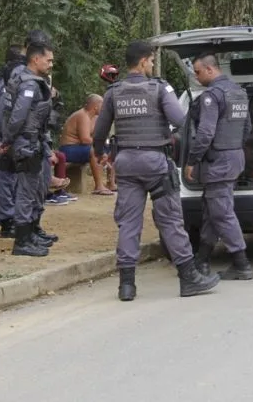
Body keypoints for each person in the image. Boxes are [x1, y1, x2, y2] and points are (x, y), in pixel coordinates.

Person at [93, 41, 219, 301]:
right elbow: (179, 121)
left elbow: (100, 133)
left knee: (129, 223)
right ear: (142, 62)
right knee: (171, 220)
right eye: (150, 61)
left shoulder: (113, 92)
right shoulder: (159, 89)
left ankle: (126, 286)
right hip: (155, 163)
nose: (152, 65)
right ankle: (189, 277)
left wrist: (98, 153)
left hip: (126, 163)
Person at [187, 52, 253, 281]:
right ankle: (202, 261)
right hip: (234, 158)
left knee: (222, 213)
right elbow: (247, 128)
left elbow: (205, 133)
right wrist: (234, 150)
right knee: (212, 210)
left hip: (218, 162)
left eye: (197, 72)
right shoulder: (239, 93)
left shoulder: (212, 96)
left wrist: (192, 160)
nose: (196, 77)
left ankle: (241, 262)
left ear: (209, 69)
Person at [0, 42, 57, 257]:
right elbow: (17, 116)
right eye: (48, 60)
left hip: (31, 141)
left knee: (33, 188)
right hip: (26, 143)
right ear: (36, 59)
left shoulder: (25, 80)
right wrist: (7, 140)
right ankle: (22, 241)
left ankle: (30, 234)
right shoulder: (29, 85)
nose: (51, 64)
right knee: (26, 190)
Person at [0, 45, 26, 238]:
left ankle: (13, 217)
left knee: (15, 175)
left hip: (8, 134)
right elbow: (6, 110)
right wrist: (8, 137)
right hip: (5, 134)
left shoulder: (5, 78)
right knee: (7, 174)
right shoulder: (6, 81)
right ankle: (7, 220)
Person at [60, 94, 114, 195]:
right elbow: (85, 139)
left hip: (81, 148)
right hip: (68, 149)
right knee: (94, 151)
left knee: (109, 147)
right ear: (96, 106)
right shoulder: (82, 115)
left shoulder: (93, 118)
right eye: (102, 105)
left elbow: (96, 137)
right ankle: (98, 186)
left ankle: (111, 183)